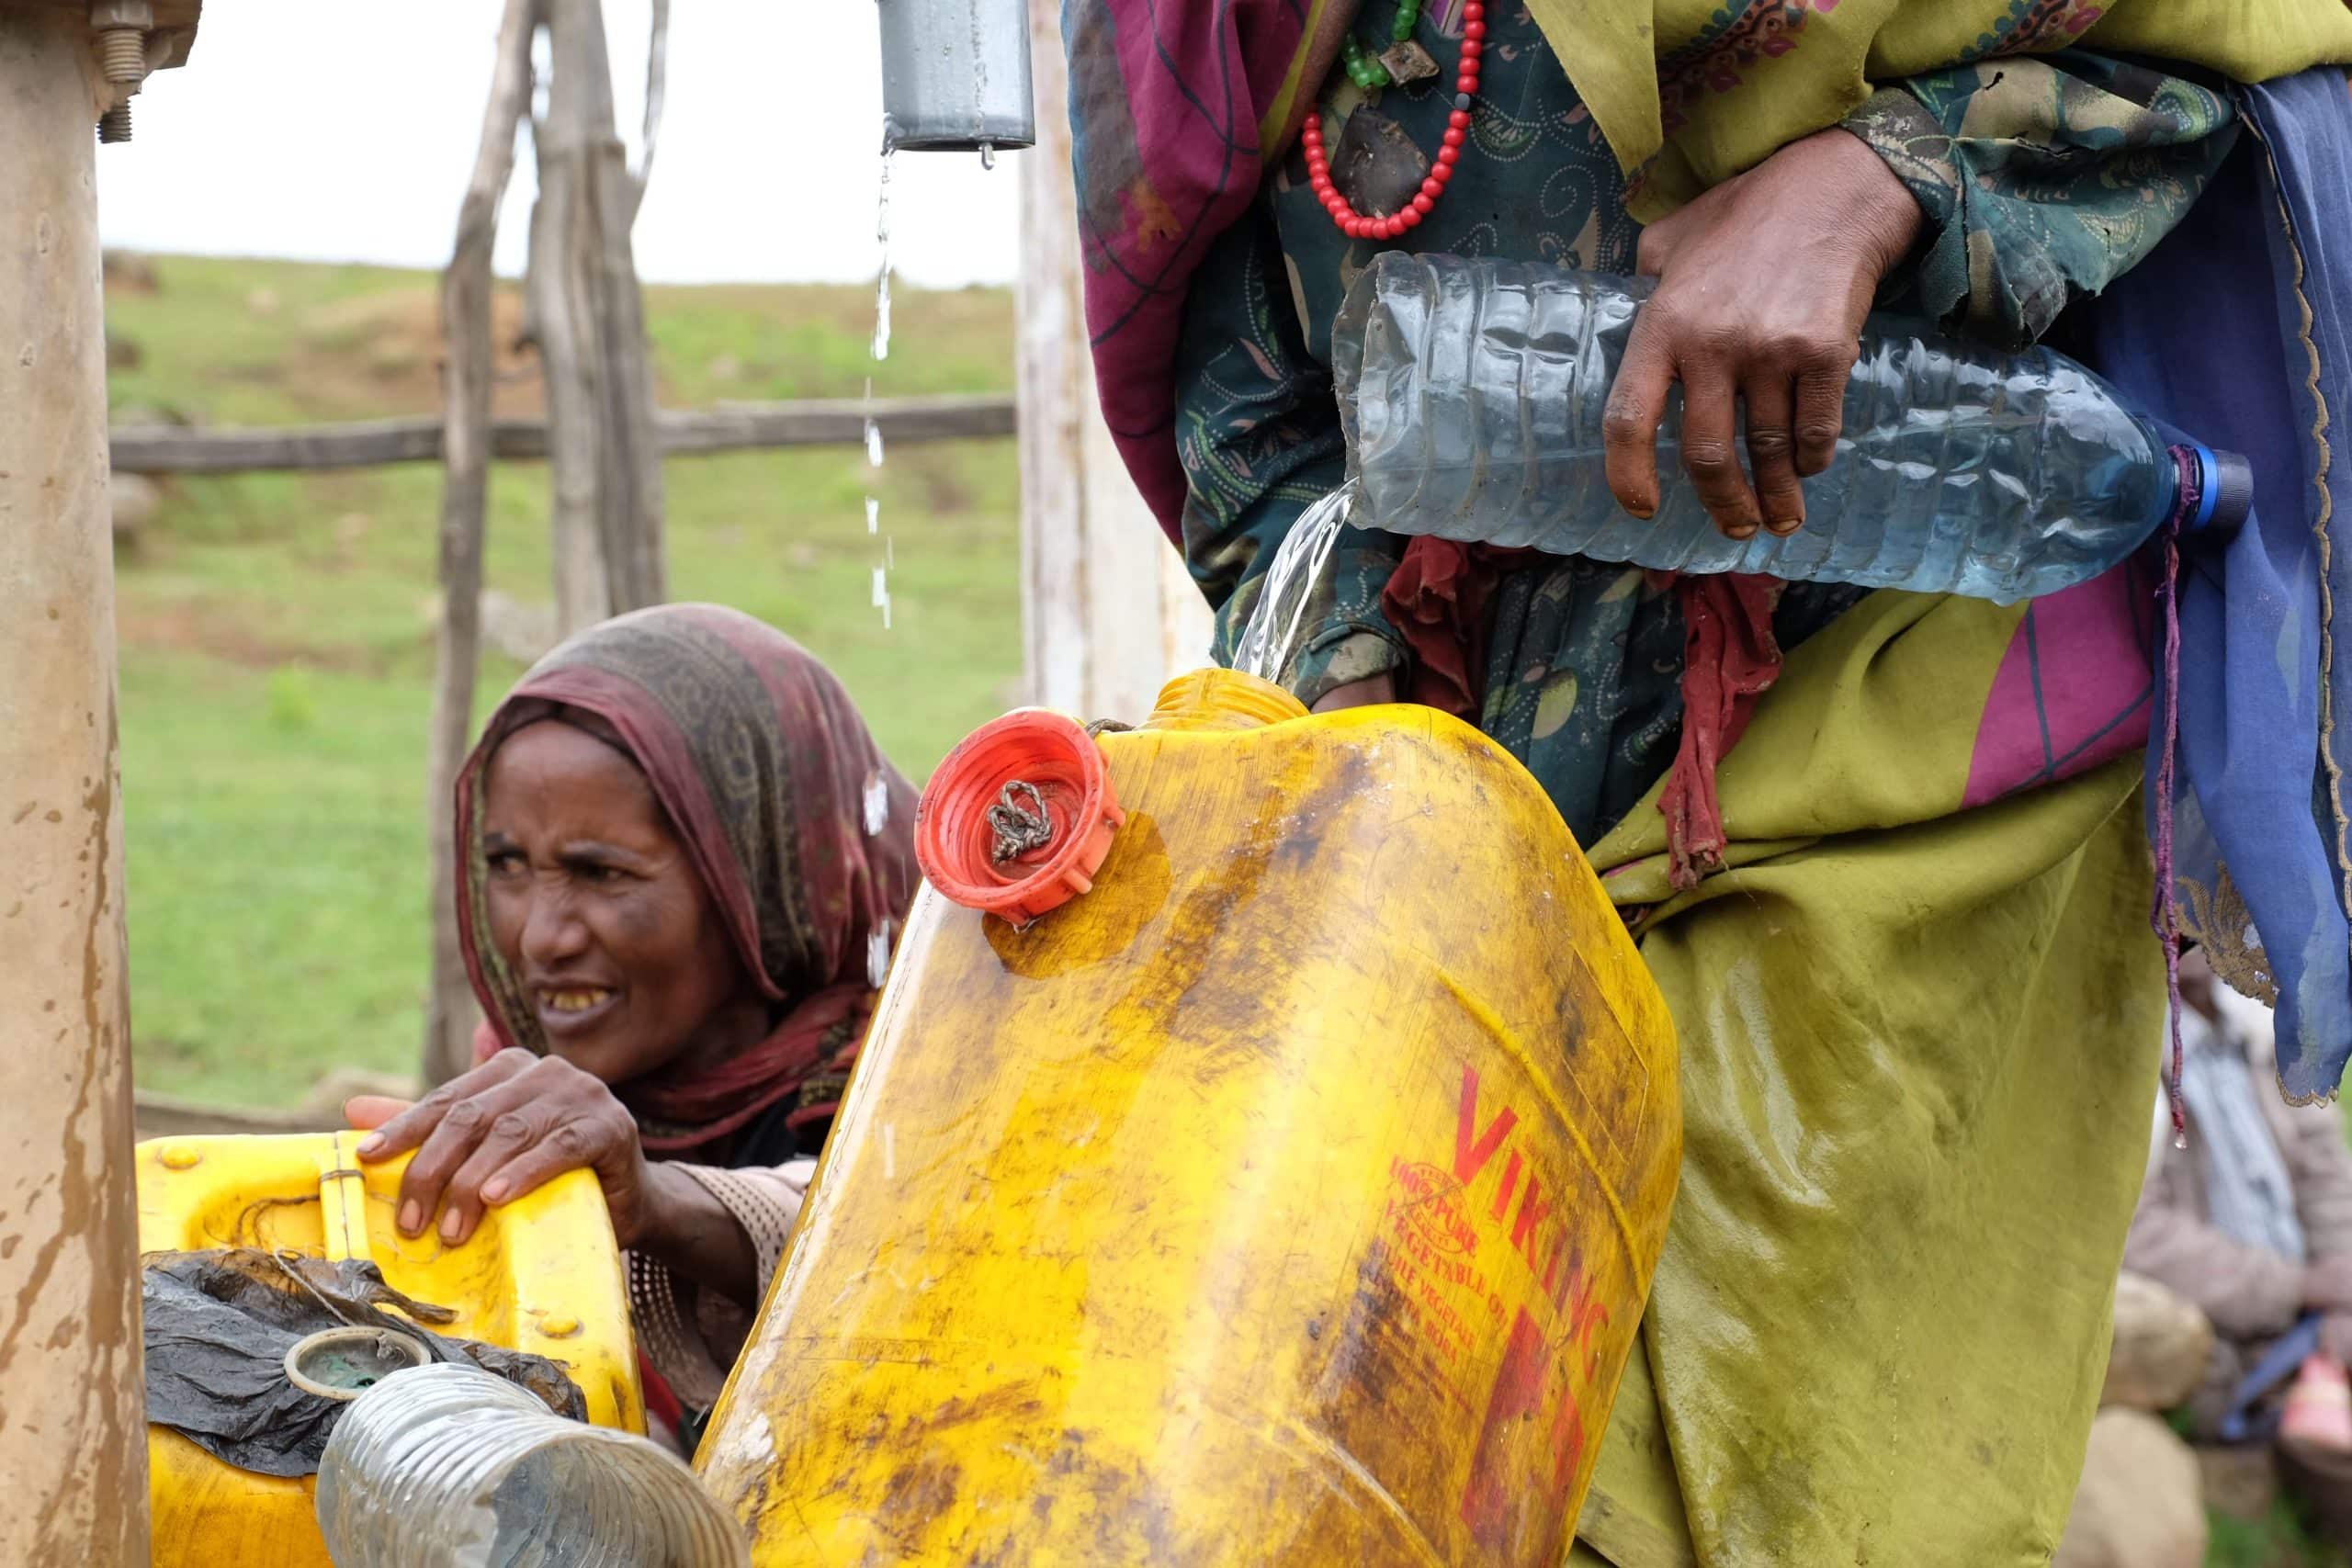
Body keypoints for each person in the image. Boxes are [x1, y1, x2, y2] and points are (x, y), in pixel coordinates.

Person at [1068, 2, 2352, 1562]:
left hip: (1899, 737)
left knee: (1773, 1439)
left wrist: (1888, 177)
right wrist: (1363, 718)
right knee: (1358, 1411)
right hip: (1423, 786)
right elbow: (1231, 363)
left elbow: (2265, 46)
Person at [343, 603, 920, 1446]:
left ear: (758, 874)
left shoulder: (933, 1058)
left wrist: (654, 1202)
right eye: (507, 864)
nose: (542, 936)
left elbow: (892, 1244)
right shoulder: (513, 1096)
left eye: (600, 871)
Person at [2127, 949, 2352, 1454]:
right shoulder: (2127, 1056)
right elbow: (2137, 1236)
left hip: (2313, 1308)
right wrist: (2297, 1289)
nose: (2190, 939)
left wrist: (2340, 1289)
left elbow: (2327, 1175)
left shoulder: (2264, 1028)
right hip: (2220, 1331)